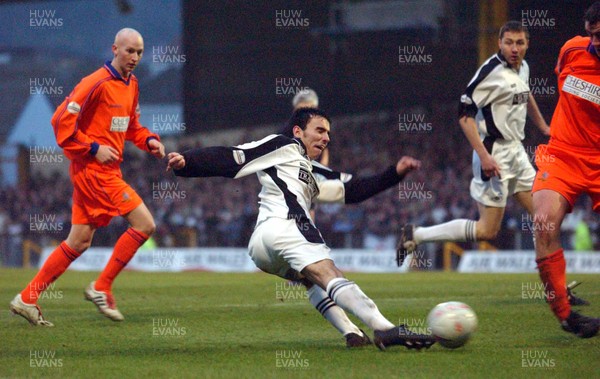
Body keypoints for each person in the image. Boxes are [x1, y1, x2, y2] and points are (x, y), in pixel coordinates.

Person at [167, 107, 435, 350]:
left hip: (263, 248)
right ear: (298, 131)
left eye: (328, 133)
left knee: (311, 280)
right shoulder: (284, 145)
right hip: (286, 227)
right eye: (319, 130)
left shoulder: (313, 170)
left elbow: (353, 191)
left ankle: (351, 332)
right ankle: (385, 328)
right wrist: (188, 162)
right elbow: (235, 157)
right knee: (329, 272)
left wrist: (394, 173)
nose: (326, 137)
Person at [10, 28, 165, 326]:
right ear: (115, 49)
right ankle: (101, 287)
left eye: (140, 52)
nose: (134, 57)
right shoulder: (95, 82)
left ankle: (27, 297)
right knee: (145, 224)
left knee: (79, 241)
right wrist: (93, 148)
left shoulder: (131, 84)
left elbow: (131, 126)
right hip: (93, 170)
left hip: (105, 170)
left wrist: (149, 141)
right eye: (129, 51)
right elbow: (59, 122)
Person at [531, 2, 600, 338]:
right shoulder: (571, 51)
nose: (595, 42)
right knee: (543, 223)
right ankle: (565, 314)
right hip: (563, 153)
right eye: (591, 35)